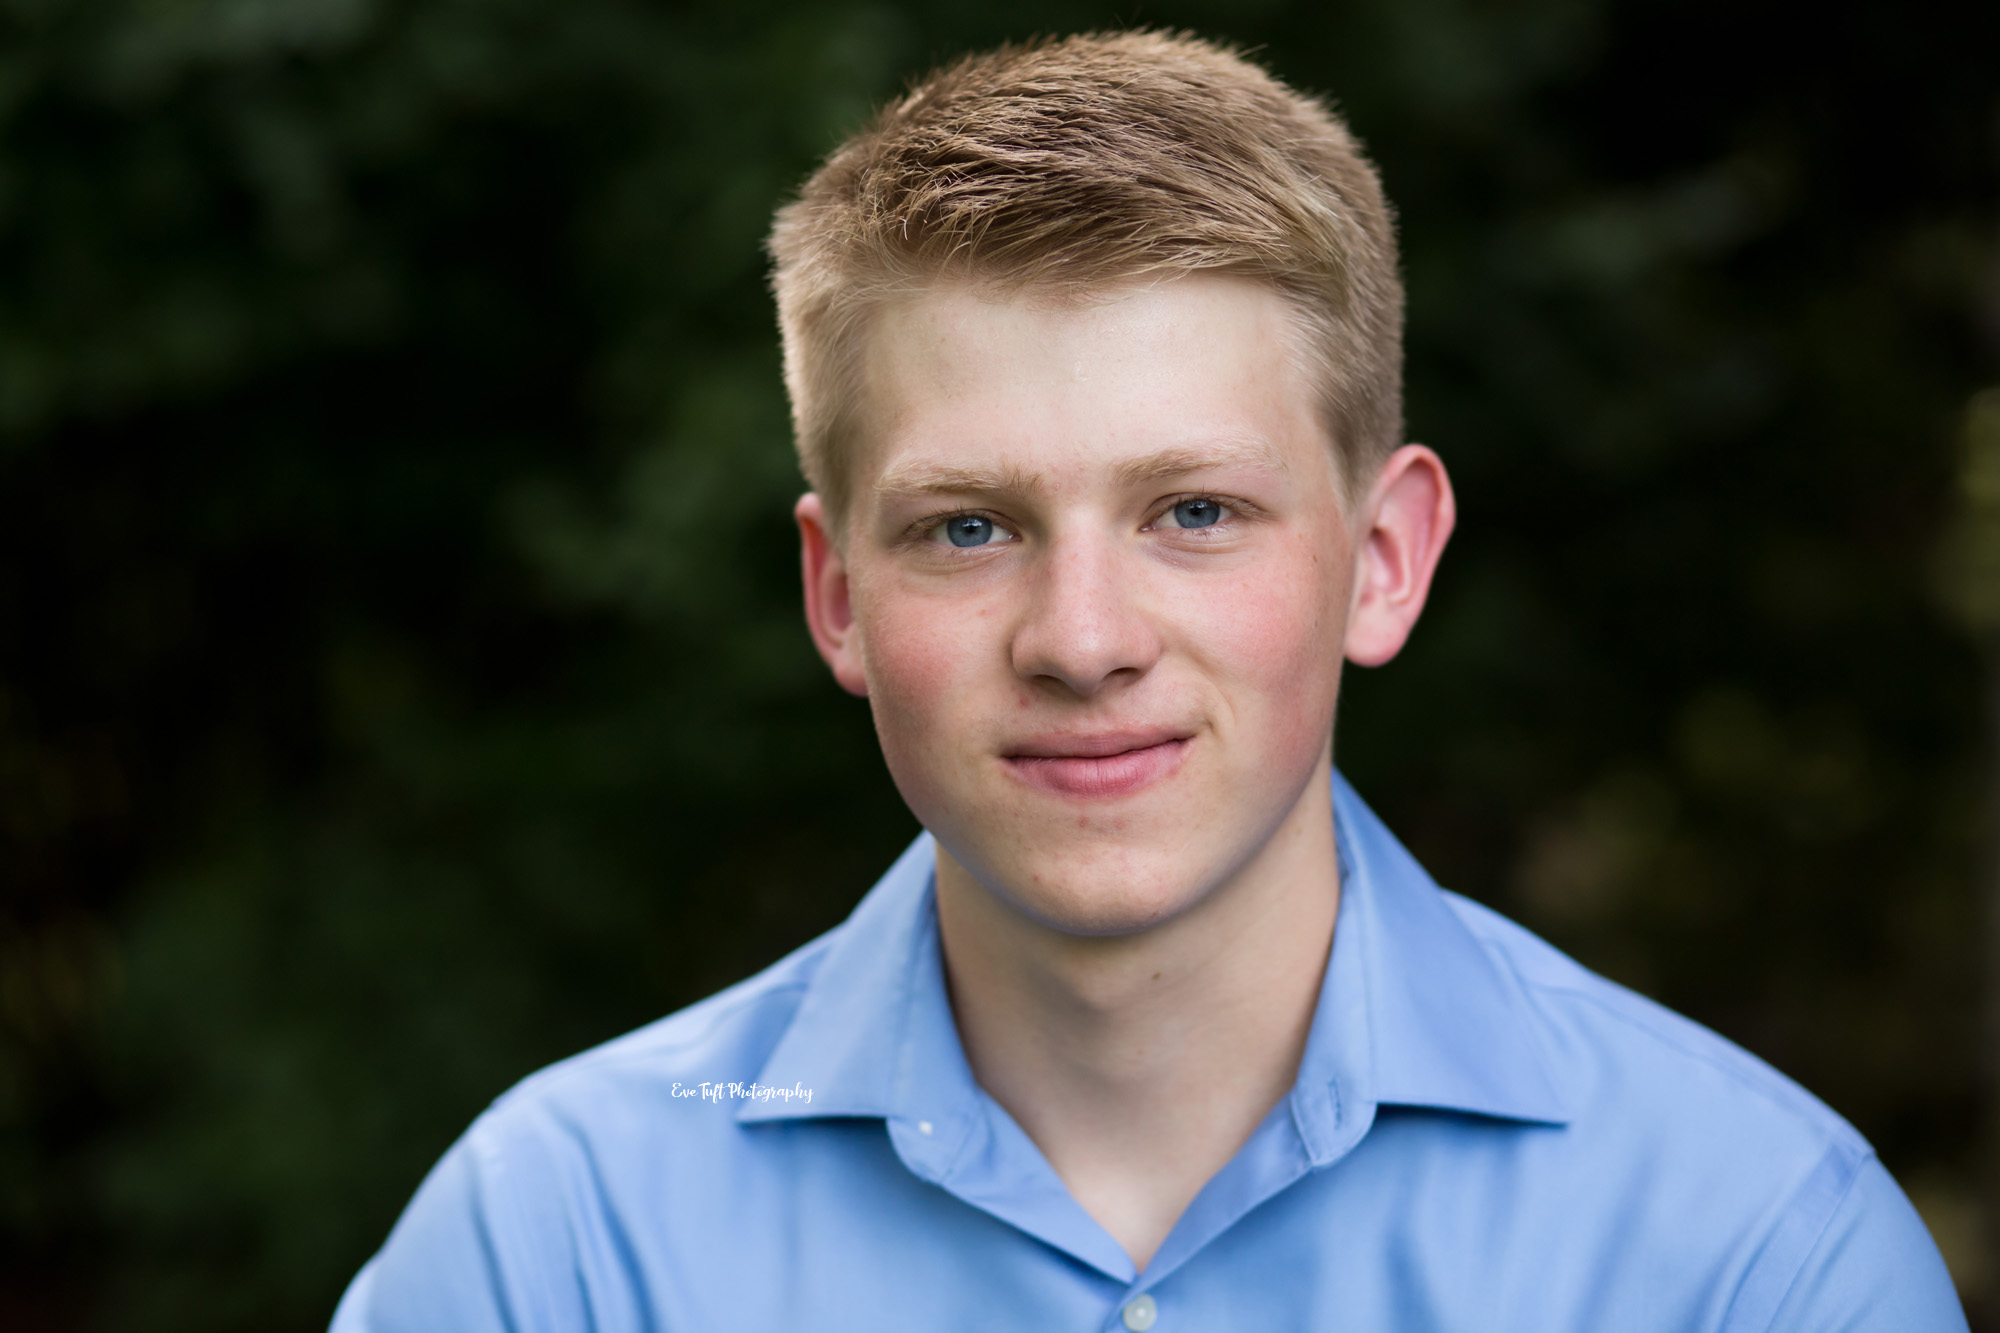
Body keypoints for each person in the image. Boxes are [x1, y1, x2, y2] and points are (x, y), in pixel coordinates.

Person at [330, 31, 1966, 1331]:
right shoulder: (558, 1249)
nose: (1084, 637)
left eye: (1195, 511)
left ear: (1382, 558)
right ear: (835, 594)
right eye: (969, 527)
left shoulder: (1750, 1254)